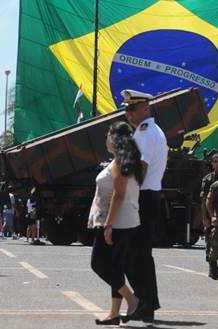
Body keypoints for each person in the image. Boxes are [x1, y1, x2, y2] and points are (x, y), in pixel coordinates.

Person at [89, 122, 143, 325]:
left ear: (115, 139)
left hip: (116, 221)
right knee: (115, 266)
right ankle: (114, 313)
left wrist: (108, 225)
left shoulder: (120, 163)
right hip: (126, 220)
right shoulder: (128, 160)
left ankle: (132, 299)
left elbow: (119, 195)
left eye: (108, 135)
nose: (105, 140)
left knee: (99, 264)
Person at [122, 89, 166, 322]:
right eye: (127, 109)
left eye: (132, 108)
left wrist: (129, 195)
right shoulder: (151, 130)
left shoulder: (145, 132)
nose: (128, 113)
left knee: (132, 254)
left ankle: (144, 302)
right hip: (148, 196)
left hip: (141, 196)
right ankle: (147, 303)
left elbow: (142, 167)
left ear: (146, 108)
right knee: (139, 254)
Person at [200, 153, 218, 262]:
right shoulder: (208, 179)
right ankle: (212, 262)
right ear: (212, 164)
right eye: (215, 161)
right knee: (211, 239)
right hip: (212, 213)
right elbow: (204, 199)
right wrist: (205, 218)